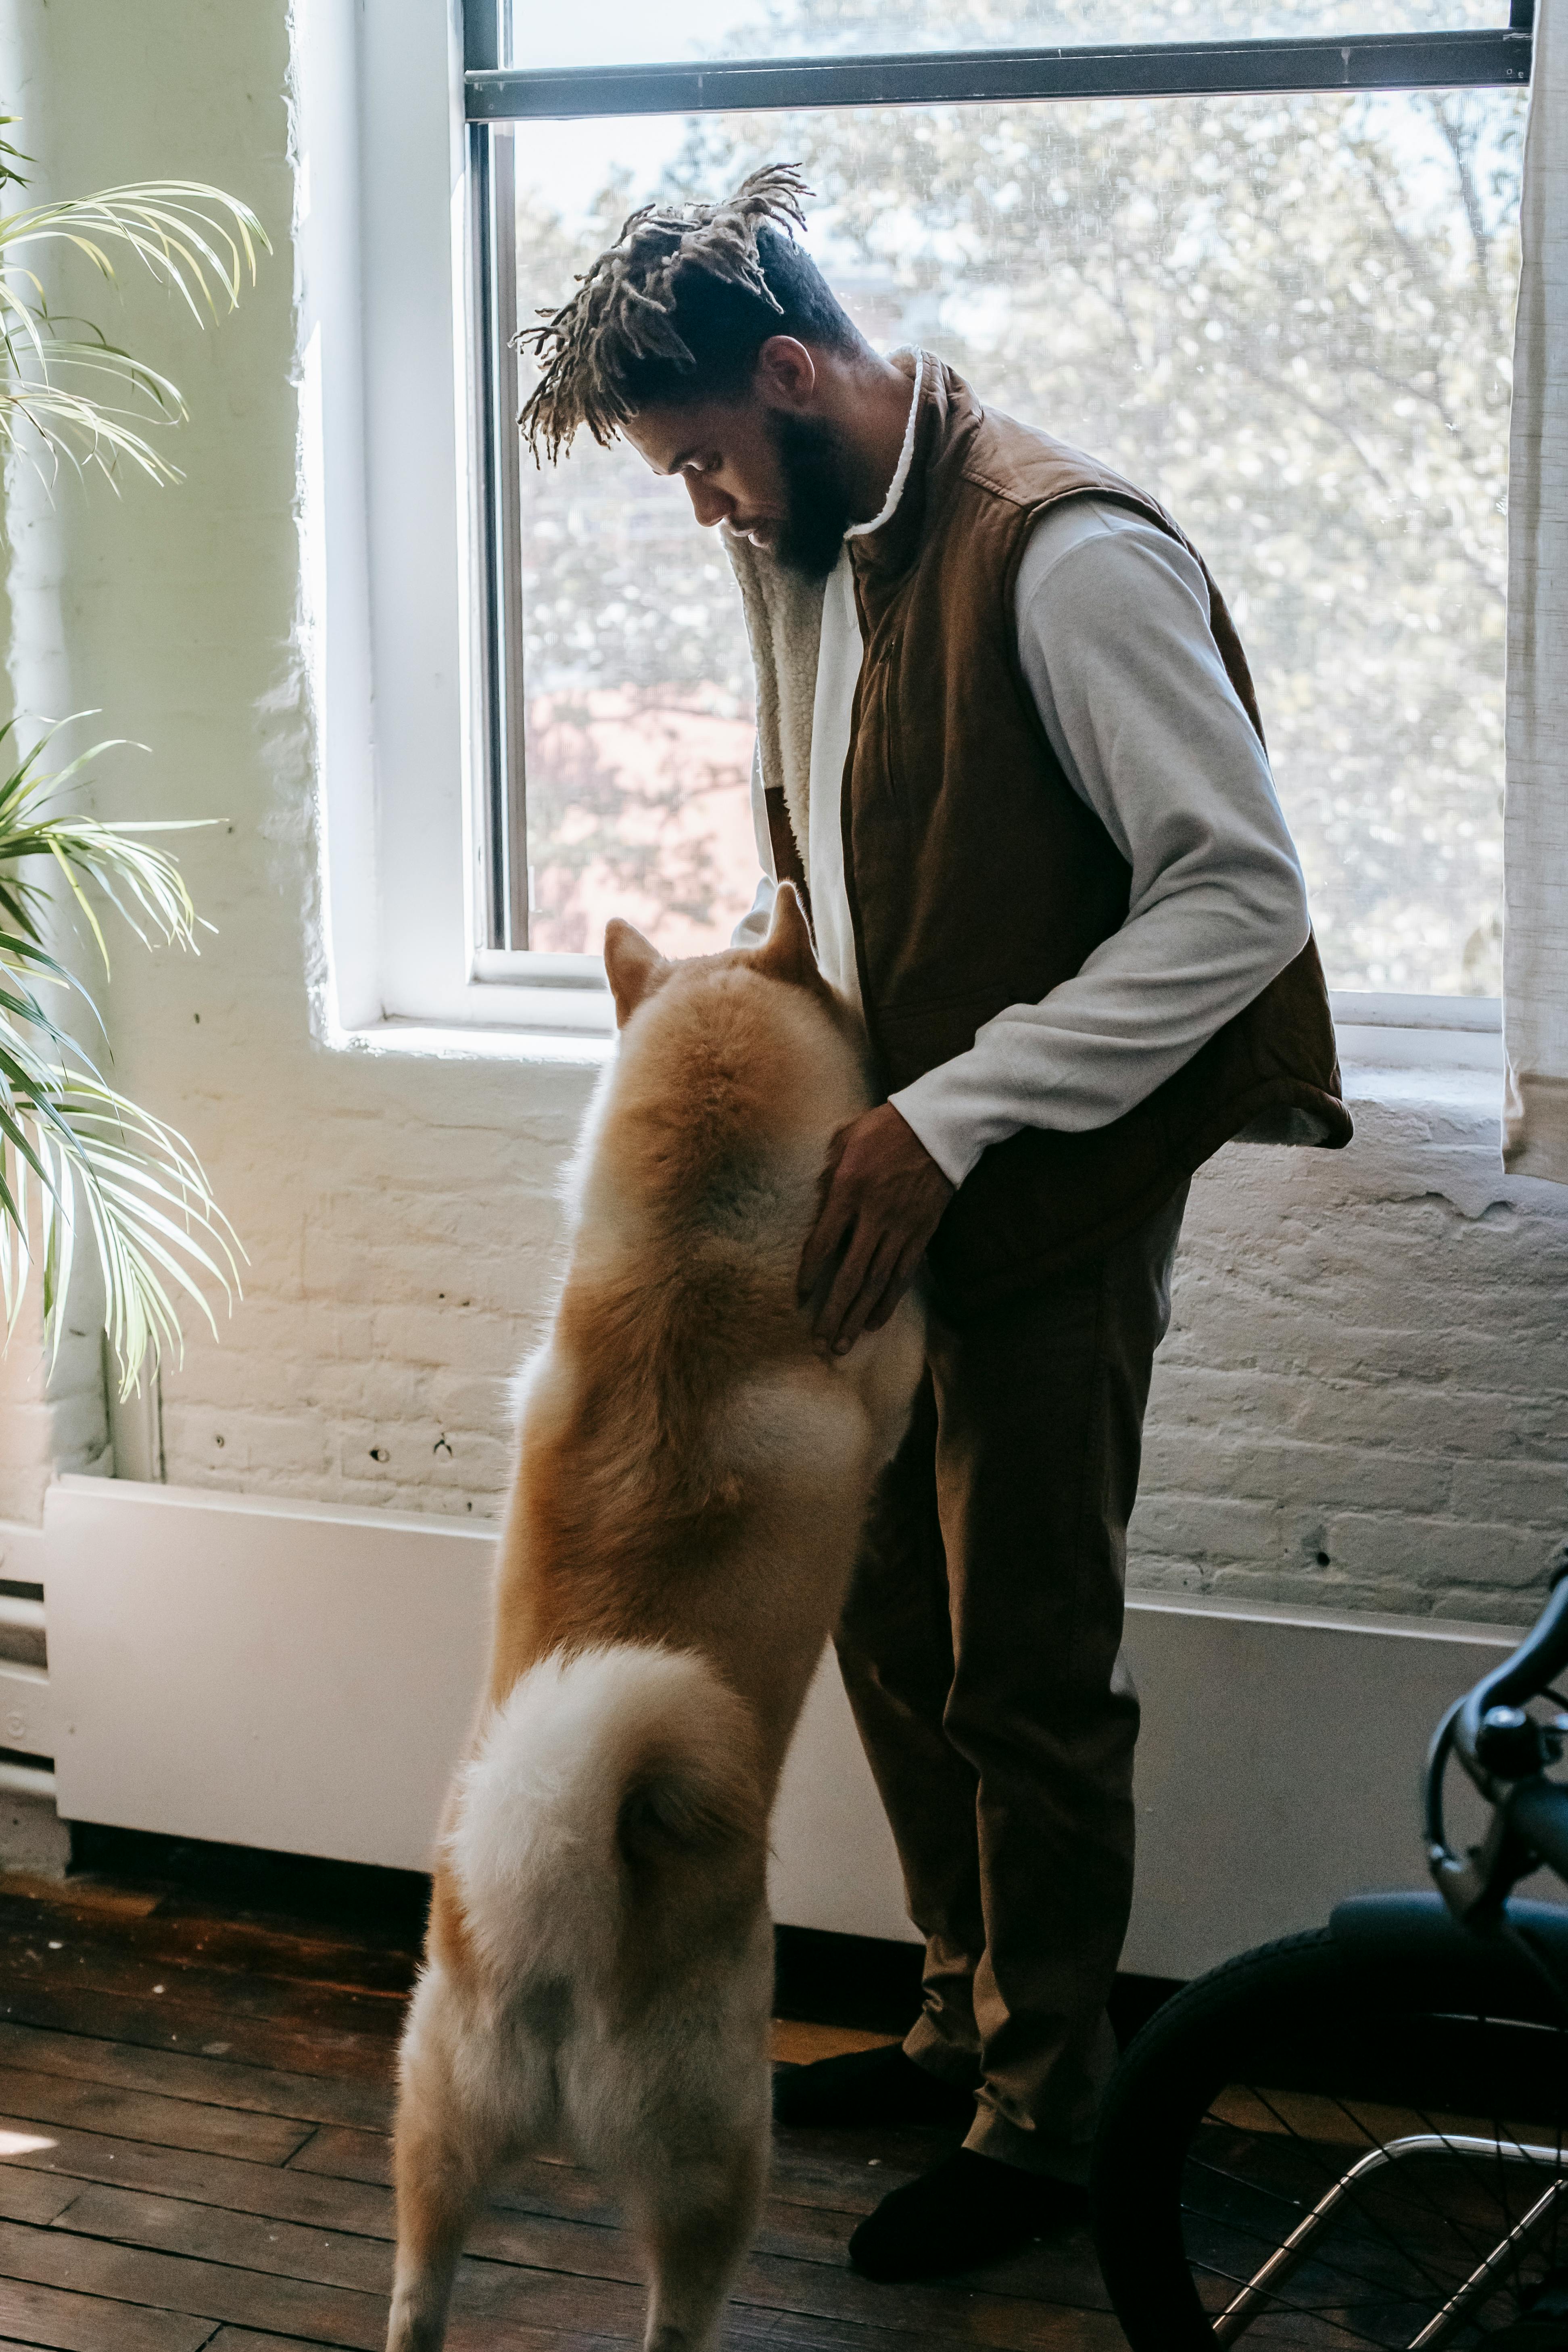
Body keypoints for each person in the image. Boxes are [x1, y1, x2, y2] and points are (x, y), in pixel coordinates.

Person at [518, 163, 1351, 2282]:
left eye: (704, 455)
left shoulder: (1063, 560)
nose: (702, 505)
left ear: (793, 379)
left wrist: (957, 1115)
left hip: (1041, 1195)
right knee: (890, 1624)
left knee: (1029, 1671)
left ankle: (1055, 2118)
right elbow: (868, 855)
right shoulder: (800, 546)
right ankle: (956, 2020)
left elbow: (1240, 899)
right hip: (876, 1195)